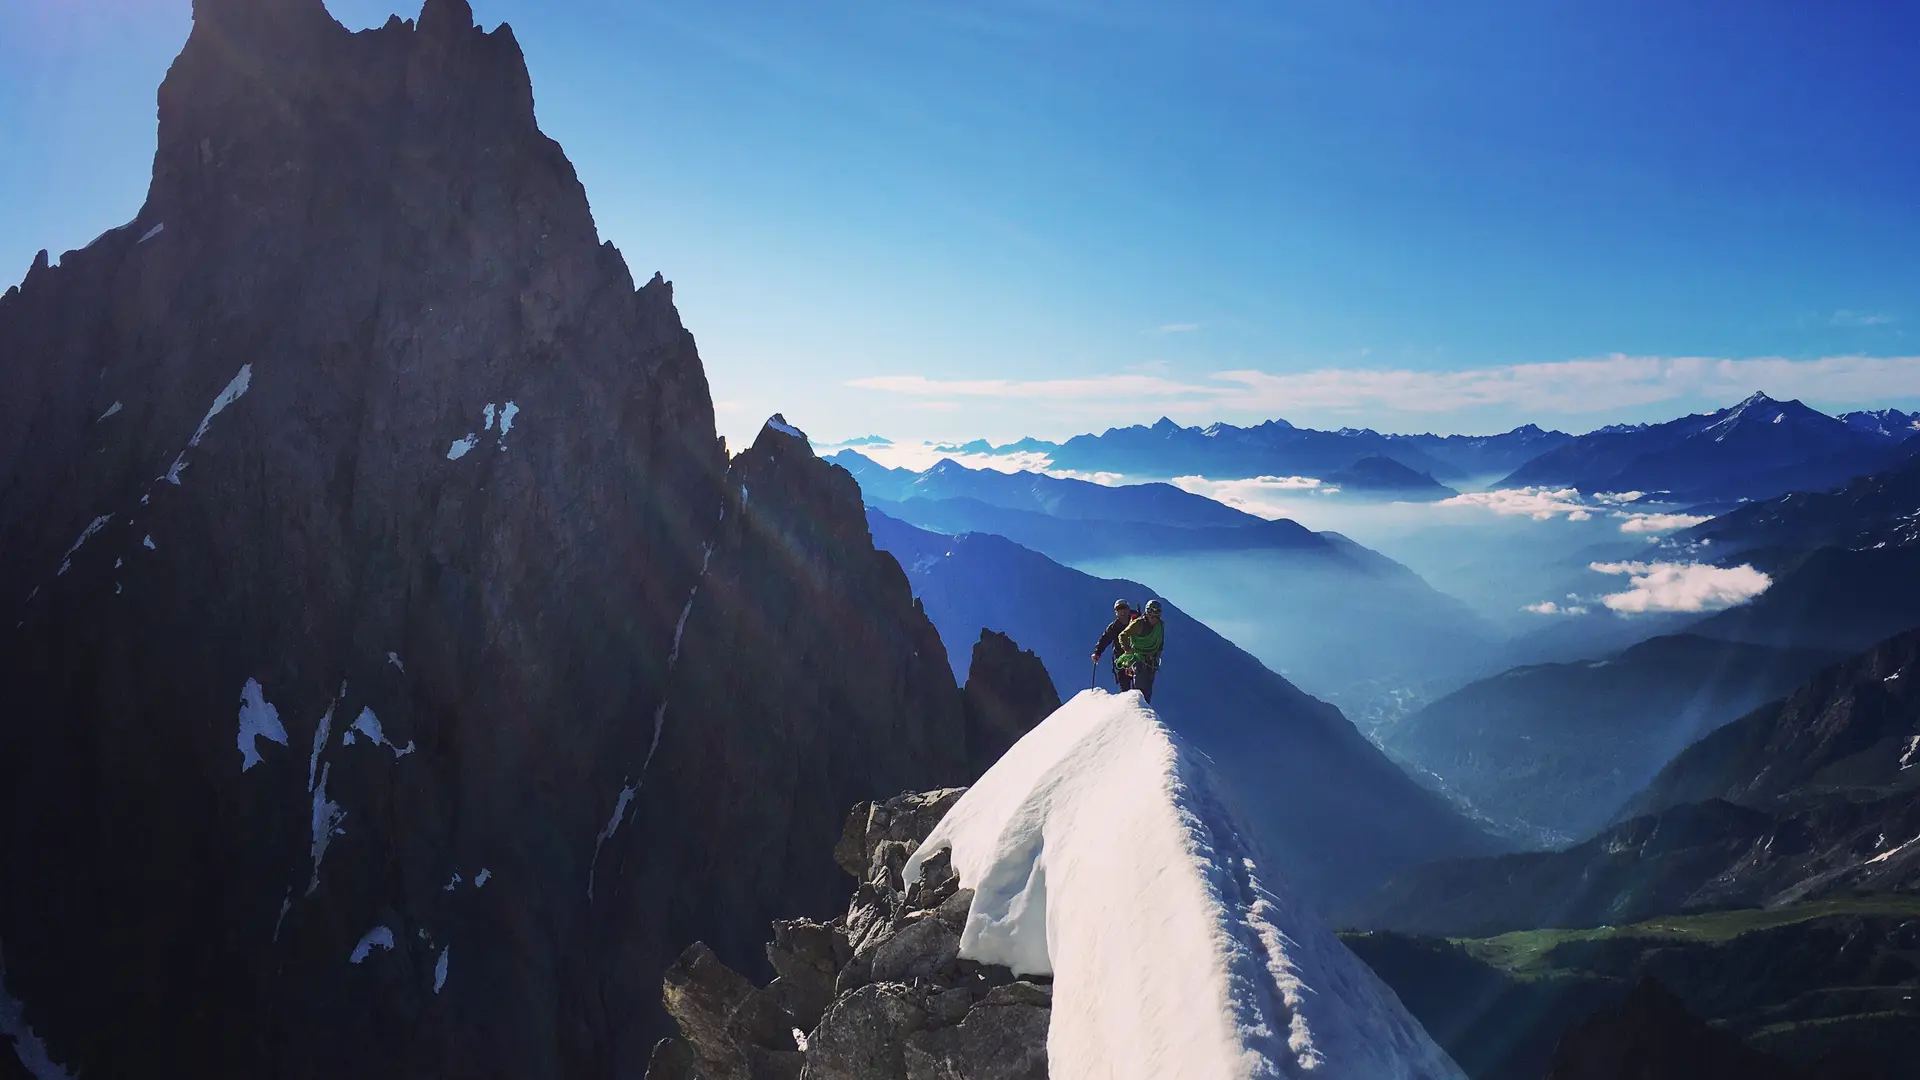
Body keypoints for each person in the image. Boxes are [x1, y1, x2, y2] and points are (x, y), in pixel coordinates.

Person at [1117, 599, 1166, 703]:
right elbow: (1123, 635)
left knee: (1147, 691)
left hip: (1152, 661)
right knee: (1139, 690)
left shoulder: (1160, 626)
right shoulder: (1138, 624)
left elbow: (1160, 642)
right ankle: (1137, 710)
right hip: (1138, 659)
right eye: (1152, 616)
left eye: (1157, 617)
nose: (1154, 619)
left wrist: (1157, 655)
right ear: (1147, 614)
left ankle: (1143, 710)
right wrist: (1128, 650)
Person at [1092, 599, 1137, 692]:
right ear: (1116, 612)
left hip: (1136, 657)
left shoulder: (1136, 621)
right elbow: (1104, 640)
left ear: (1128, 609)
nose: (1122, 611)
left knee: (1140, 687)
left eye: (1123, 608)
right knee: (1125, 687)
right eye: (1119, 609)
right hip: (1121, 660)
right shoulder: (1113, 627)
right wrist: (1097, 652)